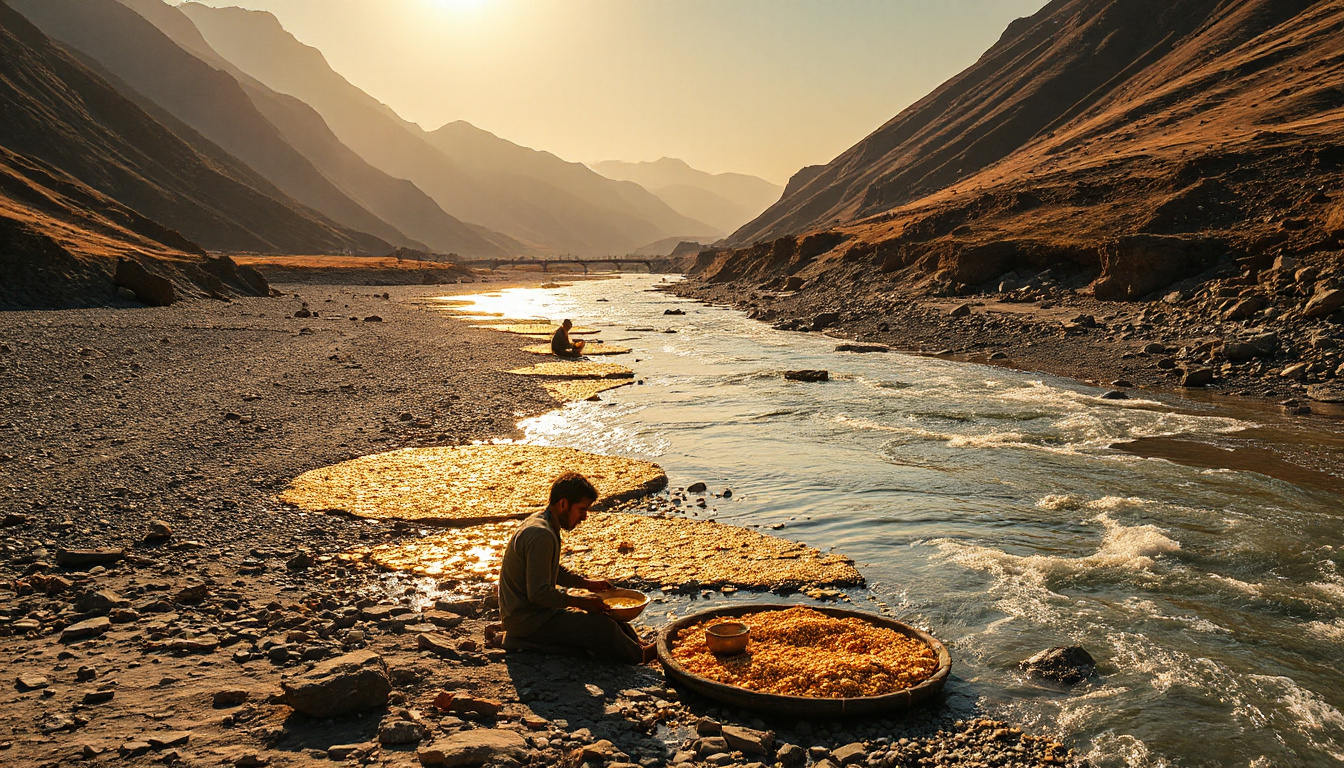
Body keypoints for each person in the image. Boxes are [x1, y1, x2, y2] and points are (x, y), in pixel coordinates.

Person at [493, 472, 655, 663]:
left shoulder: (544, 522)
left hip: (535, 613)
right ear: (563, 504)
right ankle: (641, 656)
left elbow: (552, 570)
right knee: (603, 627)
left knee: (605, 614)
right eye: (582, 510)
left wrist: (586, 583)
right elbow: (538, 593)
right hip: (528, 621)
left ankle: (637, 644)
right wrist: (579, 601)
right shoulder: (541, 534)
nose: (584, 517)